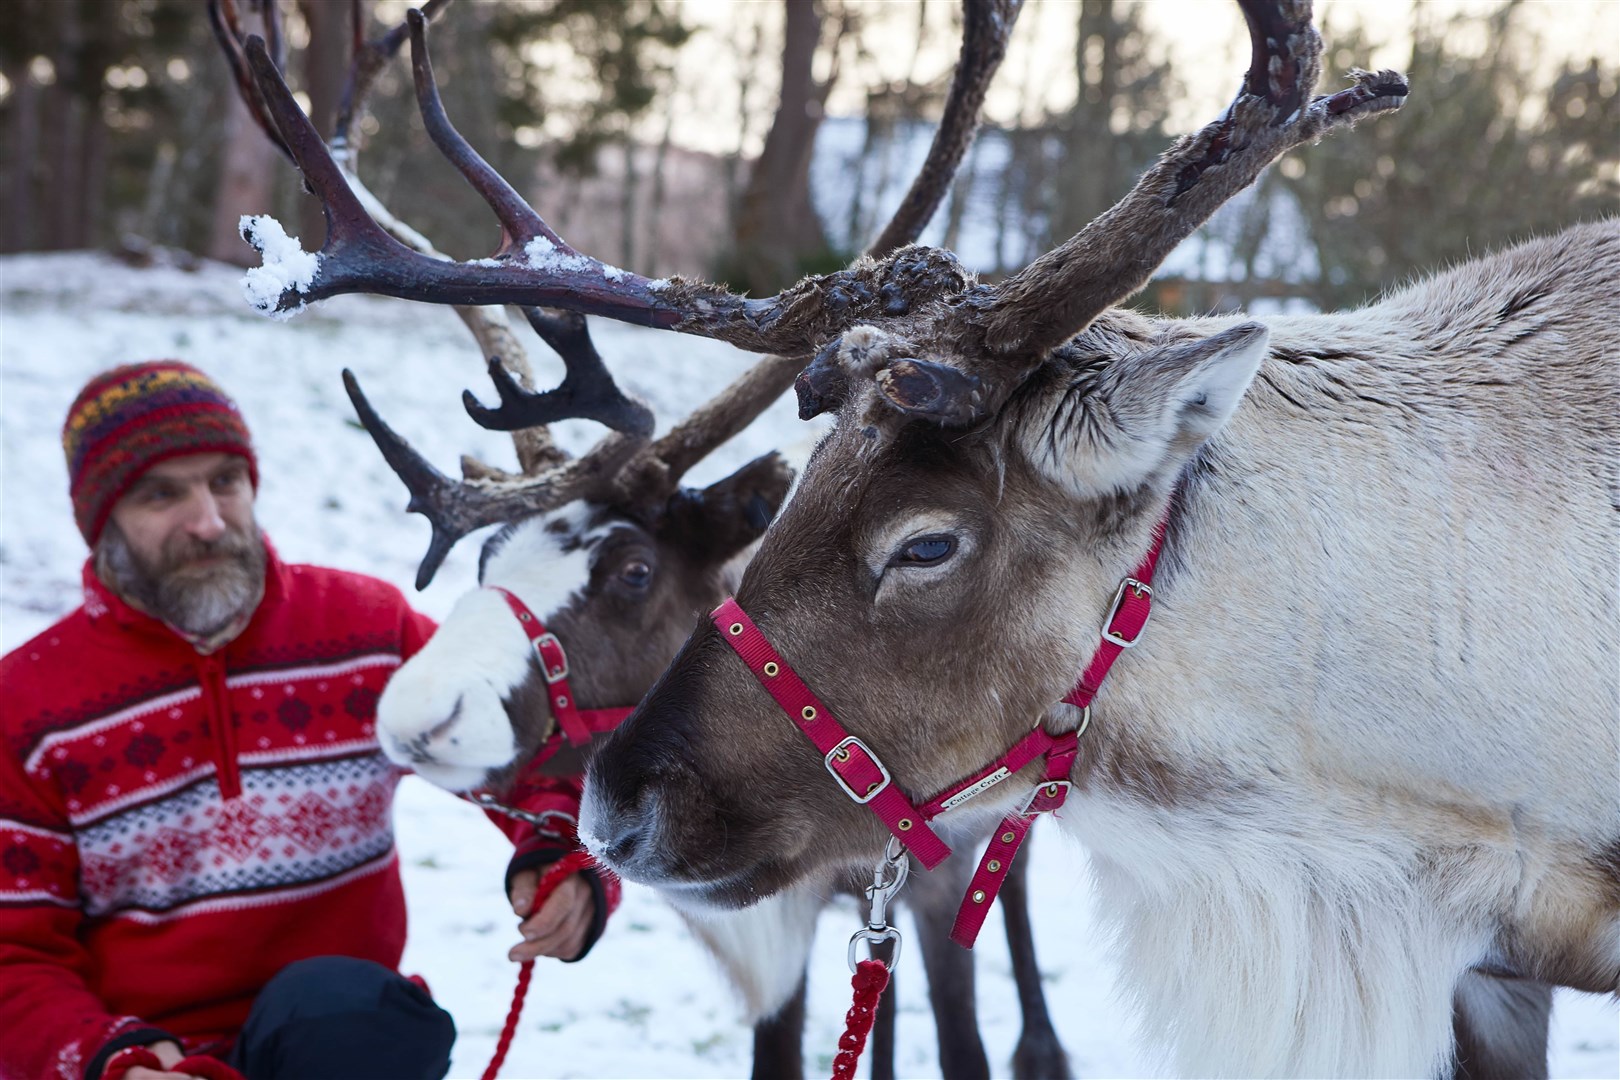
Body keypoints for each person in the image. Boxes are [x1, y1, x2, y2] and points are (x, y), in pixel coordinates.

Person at [0, 361, 617, 1080]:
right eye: (161, 494)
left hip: (332, 1041)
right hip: (137, 1057)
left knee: (350, 1015)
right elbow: (13, 957)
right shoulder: (28, 706)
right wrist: (114, 1060)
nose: (208, 521)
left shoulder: (363, 633)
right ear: (100, 520)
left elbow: (527, 748)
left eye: (225, 481)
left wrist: (561, 858)